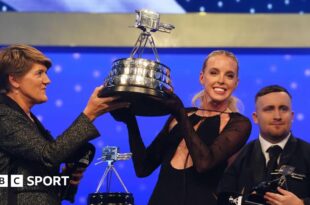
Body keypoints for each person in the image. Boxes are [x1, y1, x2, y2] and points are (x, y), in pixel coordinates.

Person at [112, 50, 252, 205]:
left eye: (229, 75)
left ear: (236, 83)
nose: (221, 80)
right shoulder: (180, 117)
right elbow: (143, 168)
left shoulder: (238, 124)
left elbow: (204, 163)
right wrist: (130, 122)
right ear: (202, 77)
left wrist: (179, 112)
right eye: (214, 72)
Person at [0, 44, 128, 205]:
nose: (47, 80)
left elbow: (35, 180)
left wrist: (66, 180)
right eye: (39, 73)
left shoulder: (27, 119)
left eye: (46, 73)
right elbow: (48, 156)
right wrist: (90, 114)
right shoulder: (4, 115)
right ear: (14, 80)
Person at [218, 85, 310, 205]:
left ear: (292, 116)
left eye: (283, 109)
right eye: (269, 109)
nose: (277, 116)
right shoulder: (238, 156)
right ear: (255, 118)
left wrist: (302, 204)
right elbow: (222, 198)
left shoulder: (307, 153)